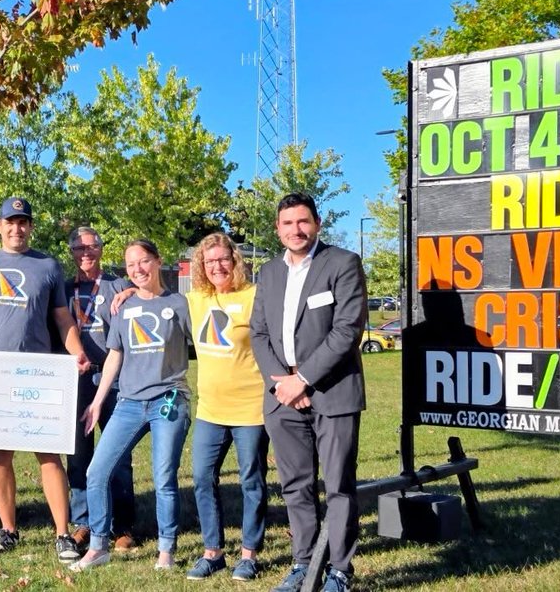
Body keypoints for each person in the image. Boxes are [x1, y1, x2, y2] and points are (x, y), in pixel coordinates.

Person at [0, 197, 90, 562]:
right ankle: (8, 530)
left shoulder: (47, 265)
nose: (16, 228)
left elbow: (63, 319)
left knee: (48, 454)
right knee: (0, 456)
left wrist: (77, 351)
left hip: (37, 372)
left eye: (23, 222)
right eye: (10, 222)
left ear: (30, 226)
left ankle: (62, 534)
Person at [250, 193, 367, 592]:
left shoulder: (343, 263)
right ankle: (303, 562)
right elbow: (259, 333)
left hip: (333, 391)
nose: (295, 230)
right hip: (281, 396)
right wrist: (281, 383)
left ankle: (339, 570)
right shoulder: (268, 272)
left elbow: (347, 329)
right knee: (295, 485)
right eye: (287, 223)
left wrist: (304, 379)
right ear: (277, 228)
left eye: (303, 221)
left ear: (317, 223)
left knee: (338, 485)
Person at [69, 239, 193, 573]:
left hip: (168, 401)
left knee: (163, 477)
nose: (138, 269)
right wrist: (97, 403)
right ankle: (98, 546)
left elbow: (203, 346)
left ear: (158, 261)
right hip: (129, 403)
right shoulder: (123, 307)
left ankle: (166, 550)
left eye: (144, 261)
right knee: (96, 472)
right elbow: (115, 355)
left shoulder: (179, 303)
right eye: (131, 265)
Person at [184, 232, 268, 582]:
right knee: (202, 478)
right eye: (209, 261)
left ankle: (249, 554)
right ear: (201, 266)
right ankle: (213, 552)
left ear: (235, 260)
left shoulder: (254, 296)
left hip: (251, 407)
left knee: (252, 480)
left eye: (223, 259)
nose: (217, 266)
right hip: (210, 410)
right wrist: (127, 292)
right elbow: (156, 299)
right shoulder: (196, 299)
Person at [64, 226, 138, 551]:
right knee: (78, 453)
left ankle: (123, 524)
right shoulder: (63, 289)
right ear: (72, 252)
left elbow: (149, 293)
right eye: (80, 248)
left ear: (101, 249)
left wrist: (132, 291)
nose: (86, 253)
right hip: (76, 379)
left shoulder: (117, 285)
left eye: (92, 247)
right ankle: (84, 521)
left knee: (119, 452)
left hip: (114, 378)